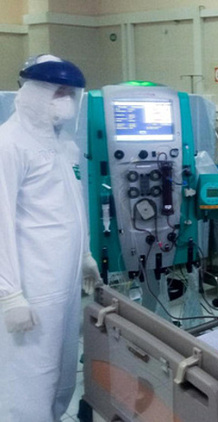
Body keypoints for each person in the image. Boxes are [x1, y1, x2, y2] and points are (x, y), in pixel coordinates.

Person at [0, 54, 102, 421]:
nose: (66, 100)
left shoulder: (64, 145)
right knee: (29, 377)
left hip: (65, 283)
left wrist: (85, 255)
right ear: (33, 91)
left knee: (61, 369)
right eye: (58, 91)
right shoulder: (9, 144)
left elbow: (73, 208)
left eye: (71, 93)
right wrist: (9, 293)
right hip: (32, 287)